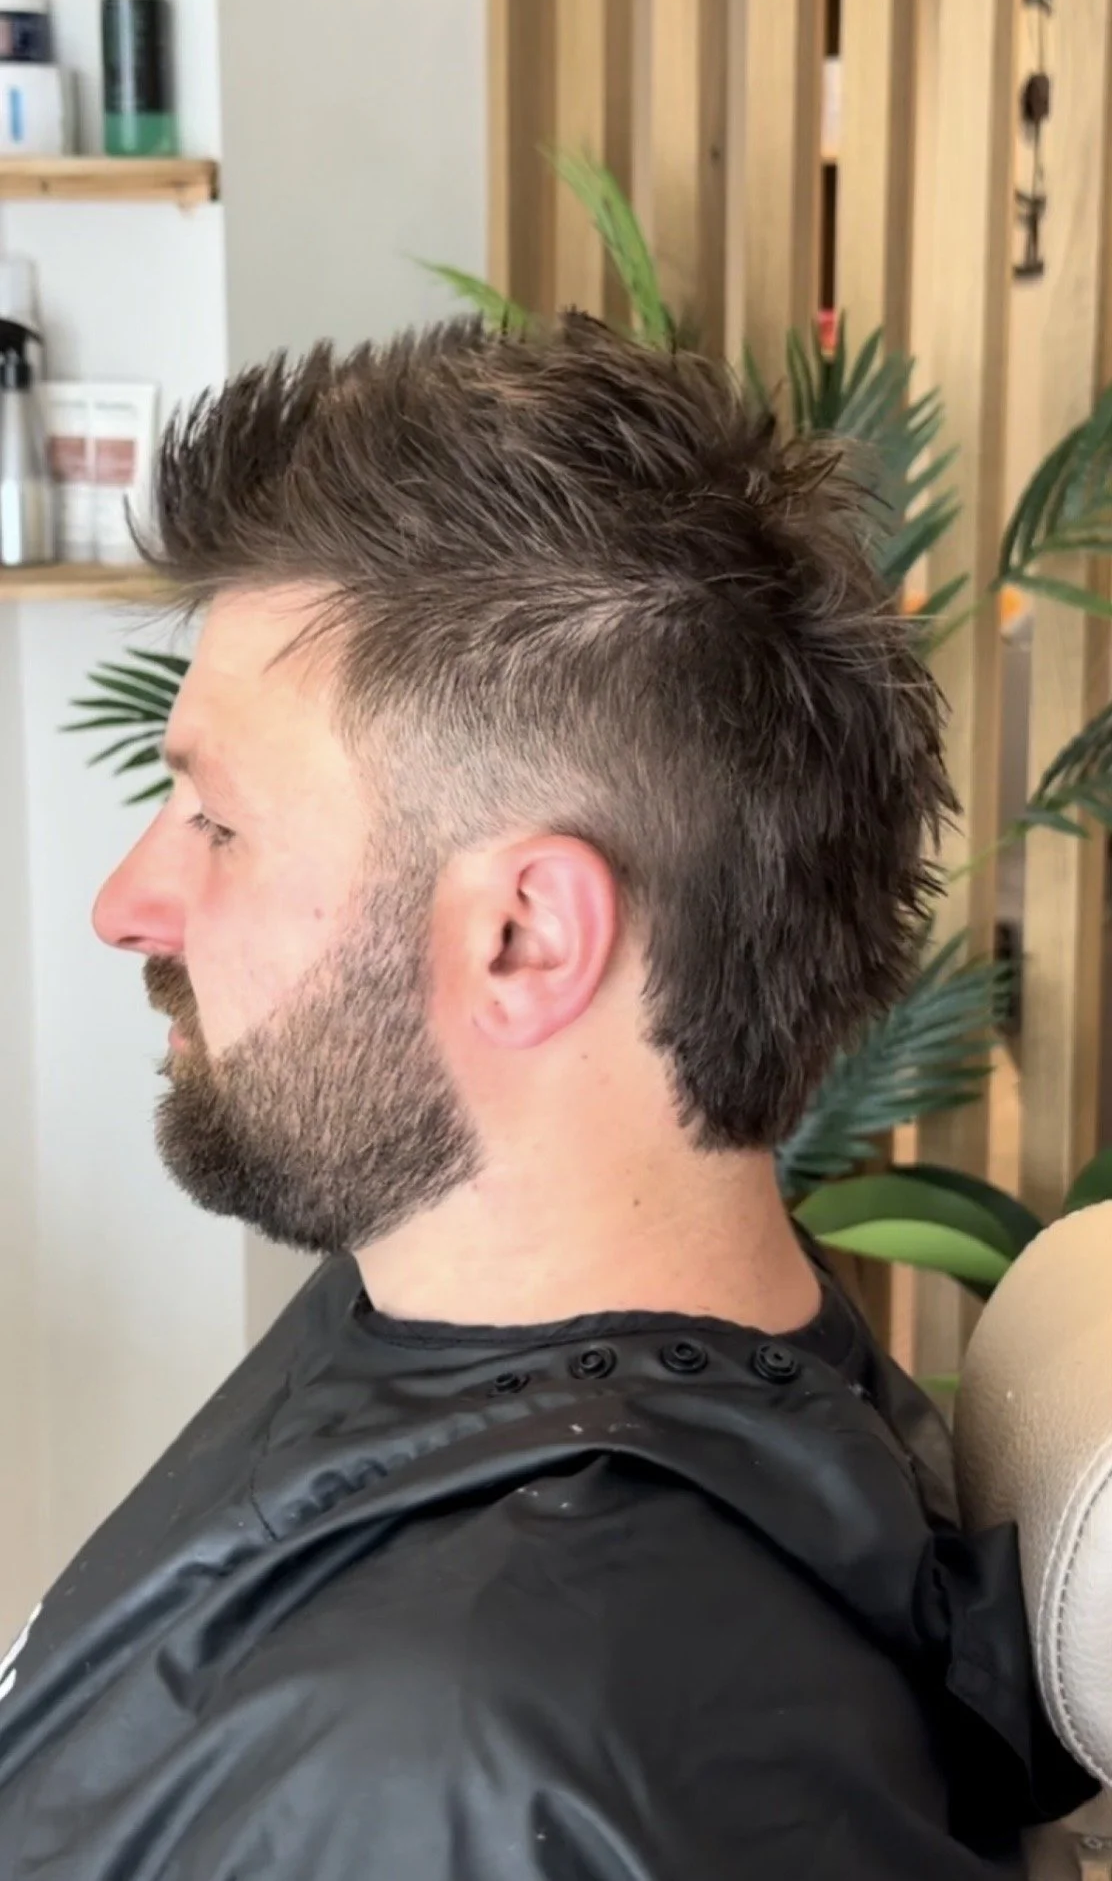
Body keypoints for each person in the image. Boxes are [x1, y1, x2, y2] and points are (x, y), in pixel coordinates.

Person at [0, 317, 1092, 1878]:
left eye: (215, 821)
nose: (127, 900)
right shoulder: (454, 1319)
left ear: (524, 937)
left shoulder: (528, 1750)